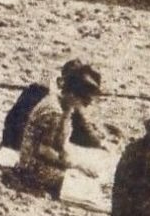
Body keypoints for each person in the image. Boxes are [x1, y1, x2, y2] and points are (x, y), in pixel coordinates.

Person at [15, 59, 105, 197]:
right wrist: (76, 165)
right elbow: (44, 150)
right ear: (72, 94)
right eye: (84, 100)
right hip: (34, 168)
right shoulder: (54, 111)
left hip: (42, 162)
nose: (85, 105)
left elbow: (60, 143)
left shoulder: (65, 106)